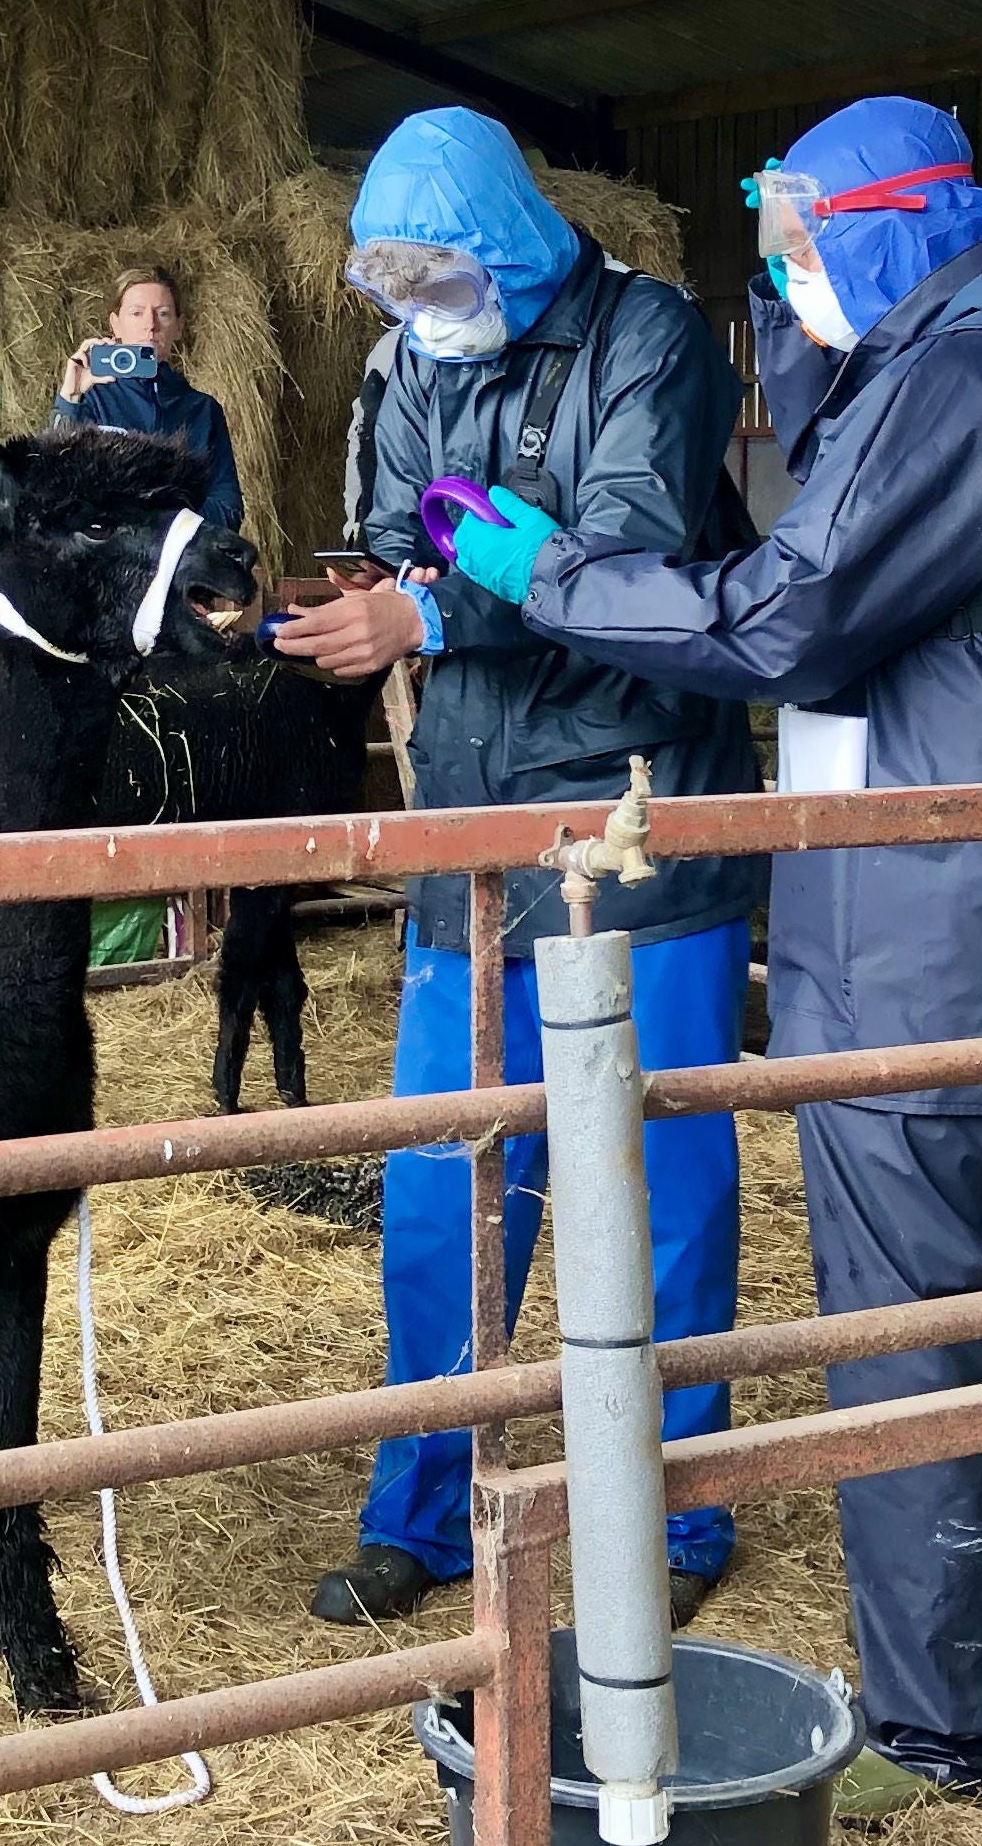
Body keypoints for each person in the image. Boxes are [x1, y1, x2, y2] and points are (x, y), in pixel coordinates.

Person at [428, 94, 982, 1819]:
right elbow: (844, 452)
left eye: (807, 249)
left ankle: (946, 1737)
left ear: (896, 231)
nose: (794, 285)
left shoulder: (976, 384)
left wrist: (548, 570)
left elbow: (774, 612)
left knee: (918, 1333)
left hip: (938, 948)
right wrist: (788, 279)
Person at [266, 106, 764, 1629]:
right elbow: (408, 524)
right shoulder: (411, 361)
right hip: (471, 815)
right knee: (446, 1179)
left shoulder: (647, 339)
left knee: (656, 1171)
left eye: (441, 277)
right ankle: (421, 1504)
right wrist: (398, 595)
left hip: (633, 807)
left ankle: (671, 1514)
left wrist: (433, 612)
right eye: (396, 289)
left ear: (506, 236)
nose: (423, 312)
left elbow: (626, 552)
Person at [51, 263, 242, 531]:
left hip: (181, 562)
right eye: (137, 313)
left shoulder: (202, 410)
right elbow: (56, 491)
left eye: (162, 314)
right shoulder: (91, 399)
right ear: (115, 324)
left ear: (178, 326)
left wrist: (147, 510)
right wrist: (69, 398)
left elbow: (228, 510)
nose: (150, 326)